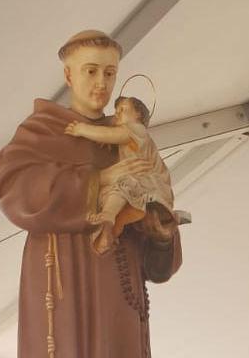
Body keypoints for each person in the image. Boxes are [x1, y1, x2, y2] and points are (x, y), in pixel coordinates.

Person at [0, 30, 182, 358]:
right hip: (65, 291)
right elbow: (14, 188)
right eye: (91, 71)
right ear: (69, 75)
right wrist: (98, 185)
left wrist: (160, 232)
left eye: (110, 73)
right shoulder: (43, 132)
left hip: (119, 299)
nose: (101, 83)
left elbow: (158, 257)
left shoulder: (130, 141)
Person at [65, 93, 178, 254]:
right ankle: (109, 230)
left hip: (153, 186)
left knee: (121, 185)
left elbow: (113, 135)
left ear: (138, 115)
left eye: (123, 109)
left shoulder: (137, 129)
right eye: (116, 109)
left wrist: (81, 129)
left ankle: (107, 216)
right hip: (141, 189)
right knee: (112, 190)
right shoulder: (132, 135)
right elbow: (117, 139)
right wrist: (109, 143)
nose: (117, 112)